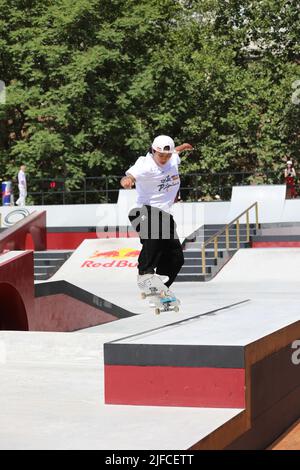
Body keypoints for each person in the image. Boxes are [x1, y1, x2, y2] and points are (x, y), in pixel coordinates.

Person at [120, 135, 193, 296]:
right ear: (153, 151)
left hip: (164, 214)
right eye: (161, 155)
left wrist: (182, 147)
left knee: (176, 257)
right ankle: (145, 273)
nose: (164, 159)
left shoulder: (173, 158)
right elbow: (131, 175)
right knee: (157, 230)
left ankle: (160, 288)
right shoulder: (145, 164)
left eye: (167, 155)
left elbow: (175, 153)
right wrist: (128, 180)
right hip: (142, 212)